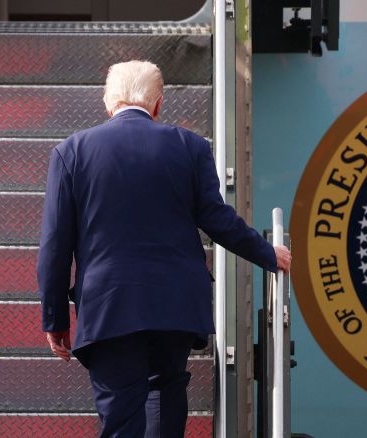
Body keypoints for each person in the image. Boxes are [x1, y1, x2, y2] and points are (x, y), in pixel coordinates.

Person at [37, 60, 291, 438]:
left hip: (109, 306)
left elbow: (55, 245)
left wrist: (55, 318)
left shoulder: (72, 152)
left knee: (120, 417)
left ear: (108, 103)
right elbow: (216, 218)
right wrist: (268, 253)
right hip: (174, 304)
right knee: (165, 399)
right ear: (158, 104)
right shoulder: (189, 147)